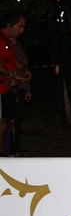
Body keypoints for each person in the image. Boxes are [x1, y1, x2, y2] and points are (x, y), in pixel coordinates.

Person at [0, 13, 26, 156]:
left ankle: (5, 152)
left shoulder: (8, 41)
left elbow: (11, 60)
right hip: (1, 88)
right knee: (2, 124)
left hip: (7, 88)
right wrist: (13, 75)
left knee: (6, 123)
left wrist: (24, 68)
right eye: (19, 26)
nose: (21, 31)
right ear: (9, 25)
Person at [8, 13, 33, 156]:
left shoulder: (17, 44)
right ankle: (10, 151)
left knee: (17, 121)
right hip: (12, 86)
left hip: (22, 86)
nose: (22, 30)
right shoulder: (6, 44)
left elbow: (25, 67)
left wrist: (27, 88)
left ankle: (16, 149)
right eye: (20, 26)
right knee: (9, 121)